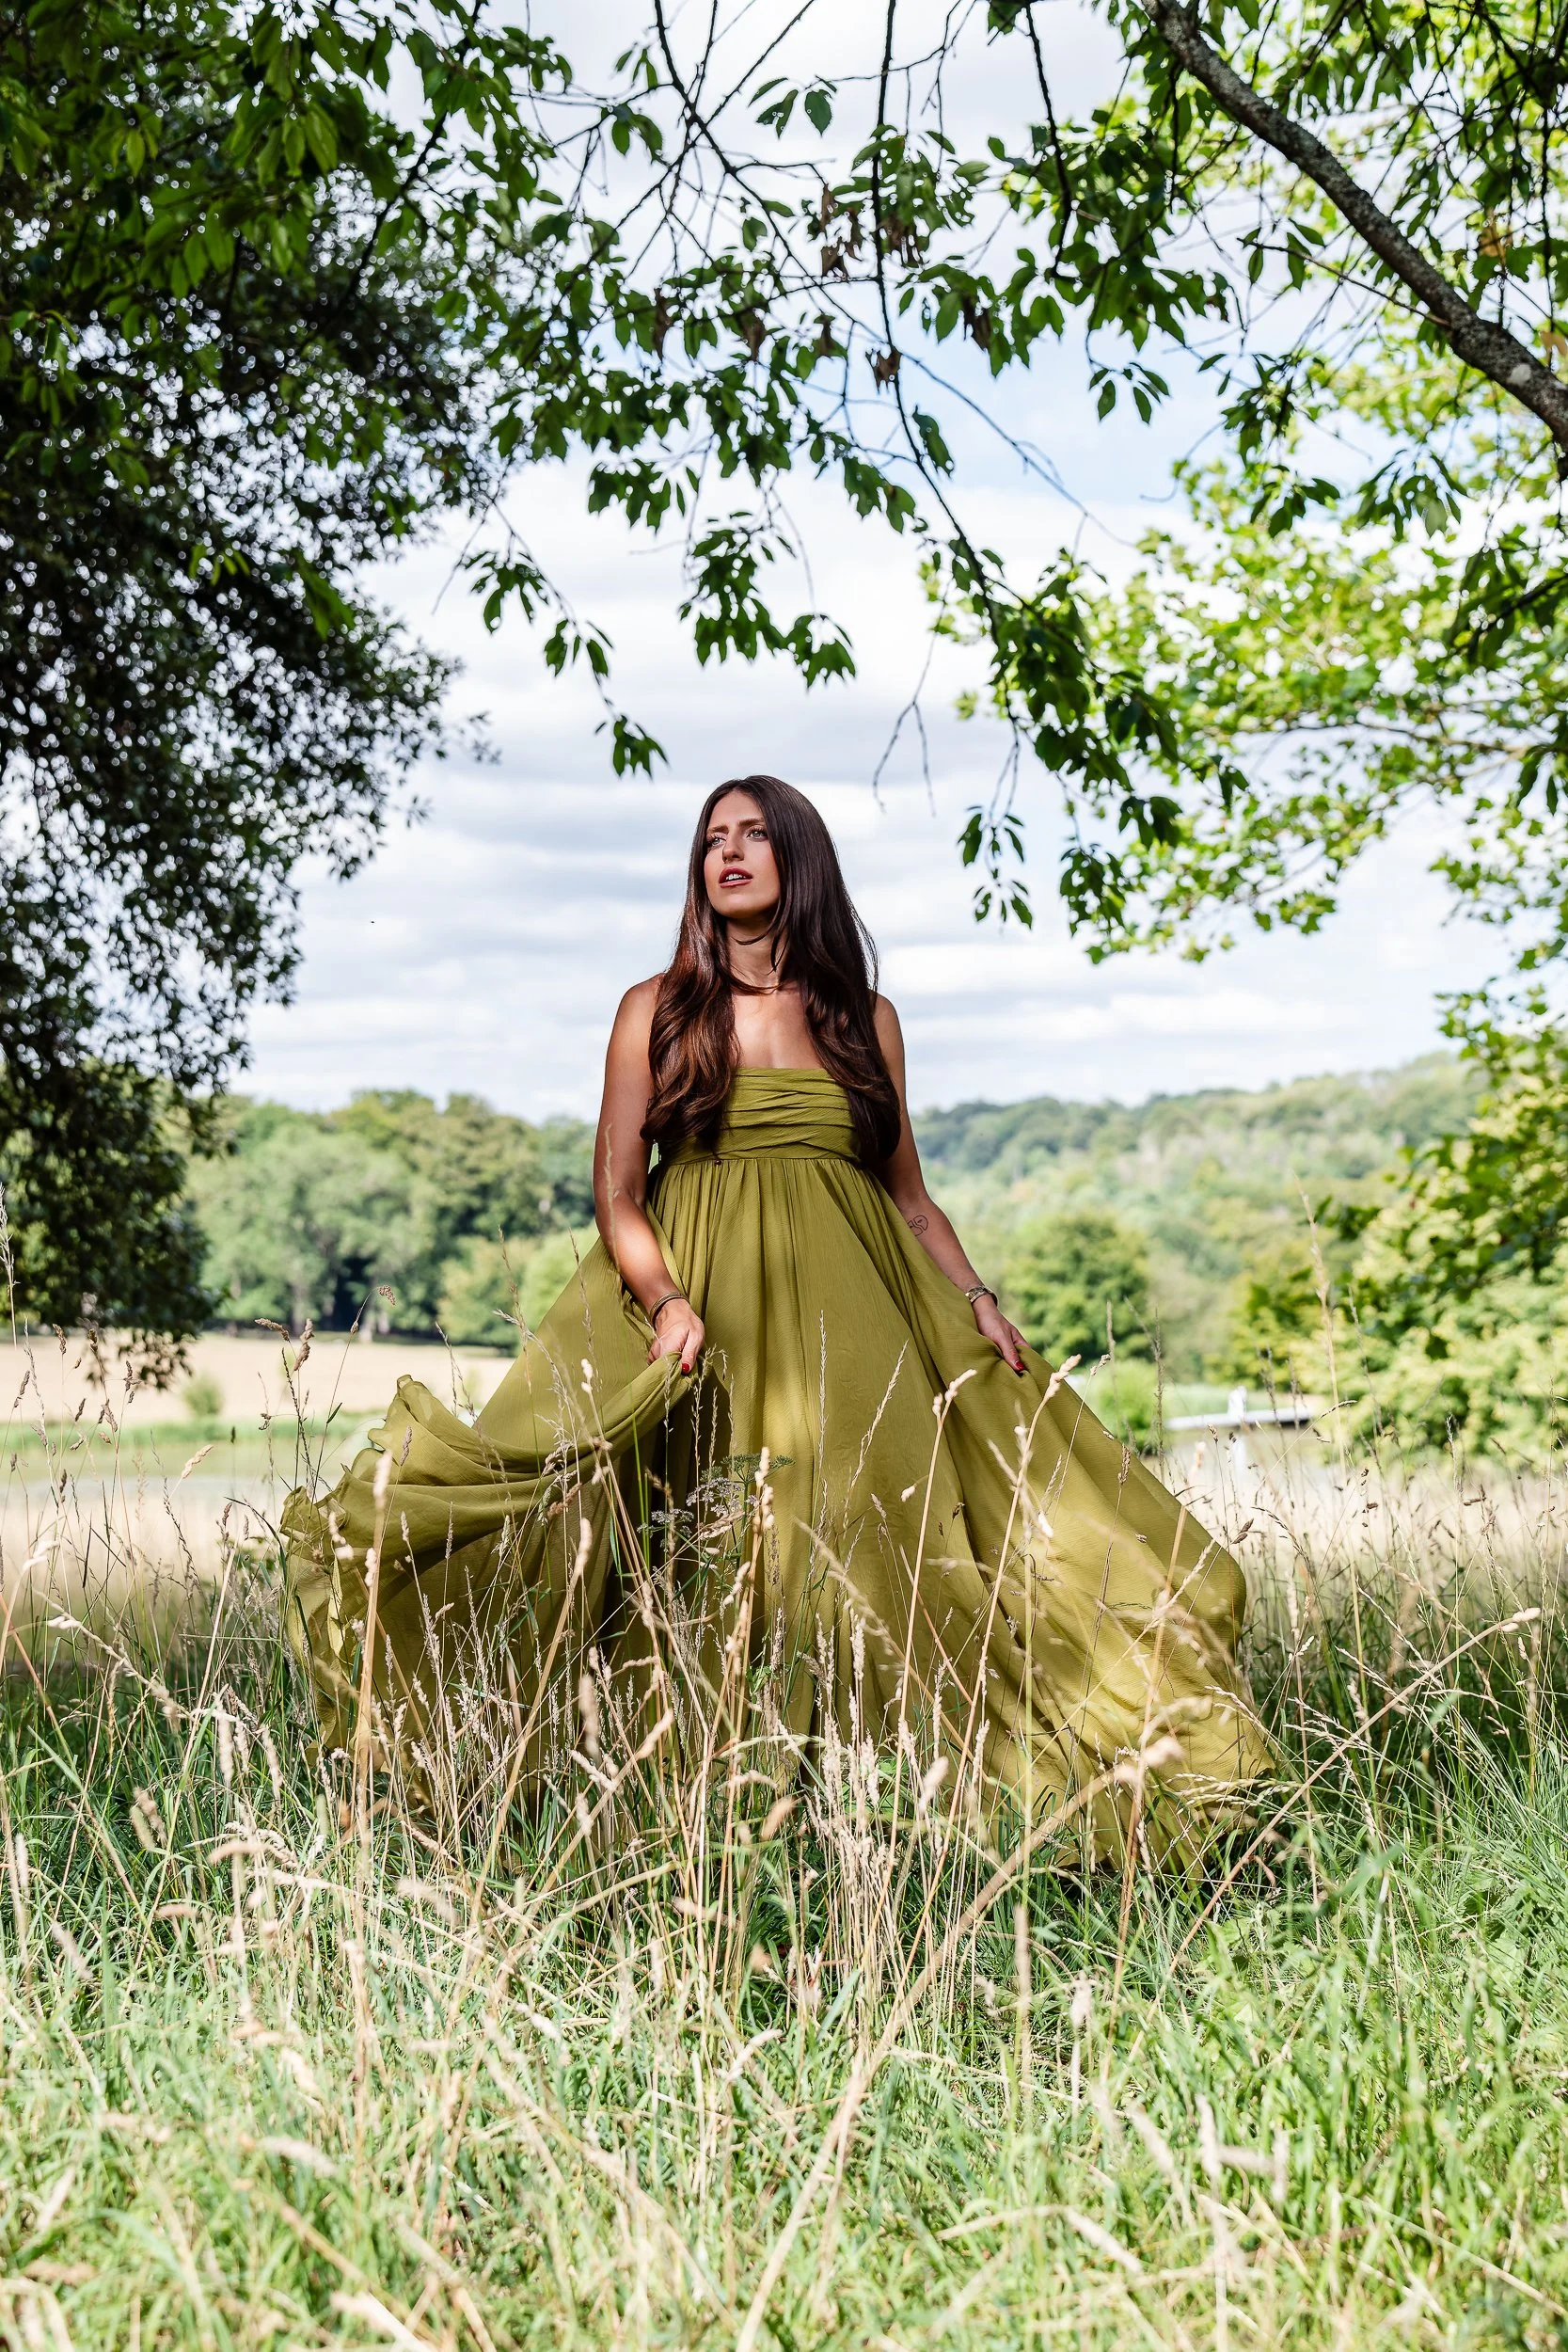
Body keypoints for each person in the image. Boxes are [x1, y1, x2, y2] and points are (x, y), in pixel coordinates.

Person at [282, 775, 1269, 1856]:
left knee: (862, 1531)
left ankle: (890, 1803)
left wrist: (978, 1303)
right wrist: (663, 1299)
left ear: (801, 861)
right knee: (695, 1541)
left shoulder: (864, 1019)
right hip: (702, 1308)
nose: (728, 854)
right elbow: (616, 1190)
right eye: (712, 840)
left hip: (857, 1311)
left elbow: (907, 1195)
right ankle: (686, 1800)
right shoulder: (654, 1007)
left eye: (754, 836)